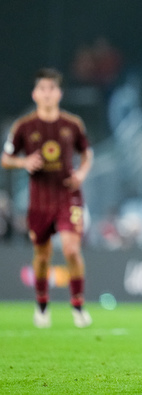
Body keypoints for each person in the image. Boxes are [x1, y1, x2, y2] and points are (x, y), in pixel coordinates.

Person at [1, 68, 93, 328]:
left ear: (59, 93)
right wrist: (24, 161)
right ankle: (42, 305)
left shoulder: (72, 125)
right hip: (39, 201)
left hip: (68, 195)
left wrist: (83, 172)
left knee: (71, 249)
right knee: (42, 256)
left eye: (52, 89)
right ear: (35, 93)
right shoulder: (24, 127)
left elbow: (87, 154)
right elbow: (5, 159)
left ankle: (77, 305)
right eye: (43, 89)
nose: (47, 93)